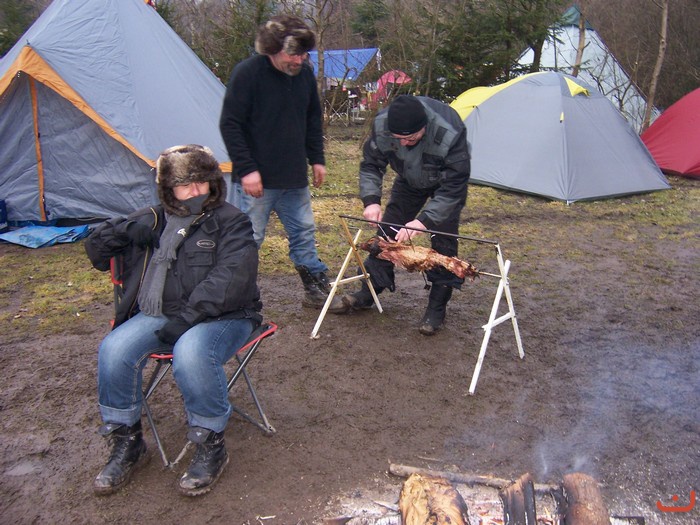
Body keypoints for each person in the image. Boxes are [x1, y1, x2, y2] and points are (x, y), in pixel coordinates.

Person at [85, 144, 262, 497]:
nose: (195, 191)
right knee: (114, 349)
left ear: (214, 182)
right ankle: (128, 441)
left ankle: (210, 442)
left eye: (201, 182)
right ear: (168, 189)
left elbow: (232, 278)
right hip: (161, 313)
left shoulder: (232, 221)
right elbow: (95, 250)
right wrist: (124, 231)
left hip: (226, 315)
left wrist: (188, 318)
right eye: (184, 184)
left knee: (191, 351)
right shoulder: (155, 219)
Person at [219, 14, 343, 313]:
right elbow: (230, 124)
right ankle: (233, 297)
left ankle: (315, 291)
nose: (299, 60)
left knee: (304, 233)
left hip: (293, 176)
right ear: (273, 50)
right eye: (293, 54)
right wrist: (247, 169)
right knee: (247, 239)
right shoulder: (247, 73)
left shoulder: (304, 75)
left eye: (304, 54)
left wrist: (317, 159)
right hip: (255, 180)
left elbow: (312, 118)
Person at [341, 95, 471, 335]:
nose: (402, 143)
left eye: (410, 138)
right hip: (409, 180)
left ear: (424, 127)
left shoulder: (450, 132)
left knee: (443, 246)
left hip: (445, 186)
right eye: (397, 139)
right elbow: (371, 164)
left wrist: (424, 221)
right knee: (386, 235)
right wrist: (371, 200)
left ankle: (436, 309)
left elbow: (454, 187)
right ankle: (368, 292)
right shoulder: (383, 124)